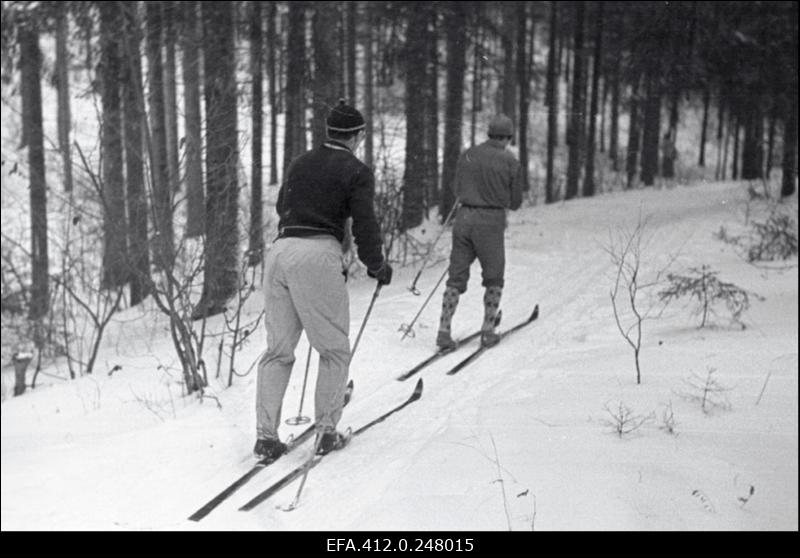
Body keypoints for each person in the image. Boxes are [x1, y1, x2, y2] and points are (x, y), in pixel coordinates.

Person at [254, 100, 392, 460]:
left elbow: (283, 205)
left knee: (278, 351)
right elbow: (364, 224)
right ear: (357, 136)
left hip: (280, 251)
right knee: (333, 349)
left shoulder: (300, 162)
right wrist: (377, 264)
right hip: (317, 254)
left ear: (328, 132)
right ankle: (326, 432)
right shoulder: (356, 171)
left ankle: (266, 436)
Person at [437, 114, 523, 350]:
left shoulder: (468, 155)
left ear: (489, 133)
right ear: (508, 136)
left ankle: (443, 331)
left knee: (455, 277)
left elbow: (456, 189)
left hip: (463, 219)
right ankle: (488, 330)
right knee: (494, 277)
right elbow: (515, 202)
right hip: (491, 222)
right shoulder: (510, 162)